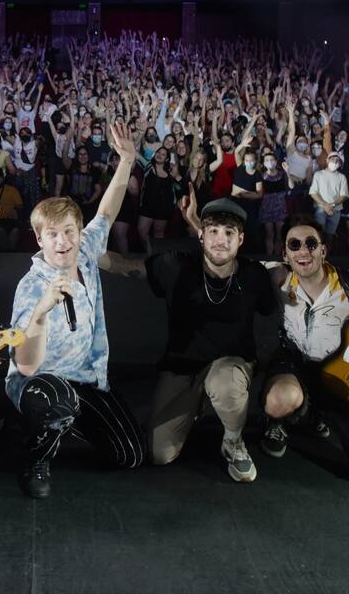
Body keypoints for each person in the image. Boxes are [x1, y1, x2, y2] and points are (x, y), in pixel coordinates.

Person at [8, 121, 145, 499]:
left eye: (69, 231)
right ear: (39, 238)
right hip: (42, 381)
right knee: (54, 398)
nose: (63, 241)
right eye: (52, 234)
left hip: (86, 377)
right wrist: (39, 313)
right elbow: (25, 365)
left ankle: (63, 422)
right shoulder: (31, 286)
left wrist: (127, 161)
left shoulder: (85, 251)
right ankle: (36, 453)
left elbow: (108, 211)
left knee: (129, 455)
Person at [106, 190, 276, 482]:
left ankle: (233, 441)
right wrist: (78, 250)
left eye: (229, 233)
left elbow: (272, 306)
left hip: (231, 367)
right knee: (160, 453)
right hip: (183, 368)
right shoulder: (176, 265)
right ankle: (197, 405)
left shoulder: (254, 275)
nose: (220, 239)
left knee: (223, 382)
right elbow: (126, 267)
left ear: (241, 239)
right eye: (212, 231)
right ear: (201, 235)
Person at [259, 215, 349, 487]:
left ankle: (322, 414)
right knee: (279, 400)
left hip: (342, 376)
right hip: (297, 366)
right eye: (295, 244)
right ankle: (281, 420)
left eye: (311, 244)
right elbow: (227, 258)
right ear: (285, 254)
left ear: (323, 250)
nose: (303, 251)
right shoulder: (277, 276)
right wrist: (197, 222)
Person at [310, 151, 349, 248]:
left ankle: (328, 257)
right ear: (327, 160)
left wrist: (332, 205)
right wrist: (324, 205)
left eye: (337, 161)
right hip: (320, 208)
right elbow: (313, 192)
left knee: (330, 235)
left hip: (335, 209)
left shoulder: (342, 177)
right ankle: (318, 255)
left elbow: (344, 195)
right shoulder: (318, 174)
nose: (335, 163)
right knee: (320, 233)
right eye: (332, 160)